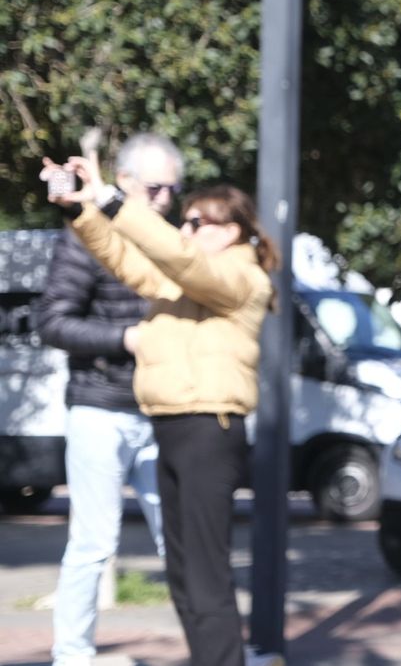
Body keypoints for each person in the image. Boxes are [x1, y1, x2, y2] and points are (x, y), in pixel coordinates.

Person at [43, 155, 276, 666]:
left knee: (206, 572)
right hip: (170, 424)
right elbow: (126, 260)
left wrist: (113, 198)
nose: (186, 227)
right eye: (185, 220)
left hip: (208, 429)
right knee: (183, 572)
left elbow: (182, 260)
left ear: (233, 231)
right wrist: (83, 211)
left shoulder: (243, 280)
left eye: (198, 222)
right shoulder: (187, 279)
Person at [36, 133, 183, 666]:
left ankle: (211, 647)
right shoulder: (85, 237)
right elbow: (51, 321)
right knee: (93, 543)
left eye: (172, 188)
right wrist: (124, 340)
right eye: (154, 188)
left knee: (182, 538)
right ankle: (71, 656)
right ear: (121, 182)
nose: (165, 198)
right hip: (100, 406)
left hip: (163, 408)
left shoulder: (172, 240)